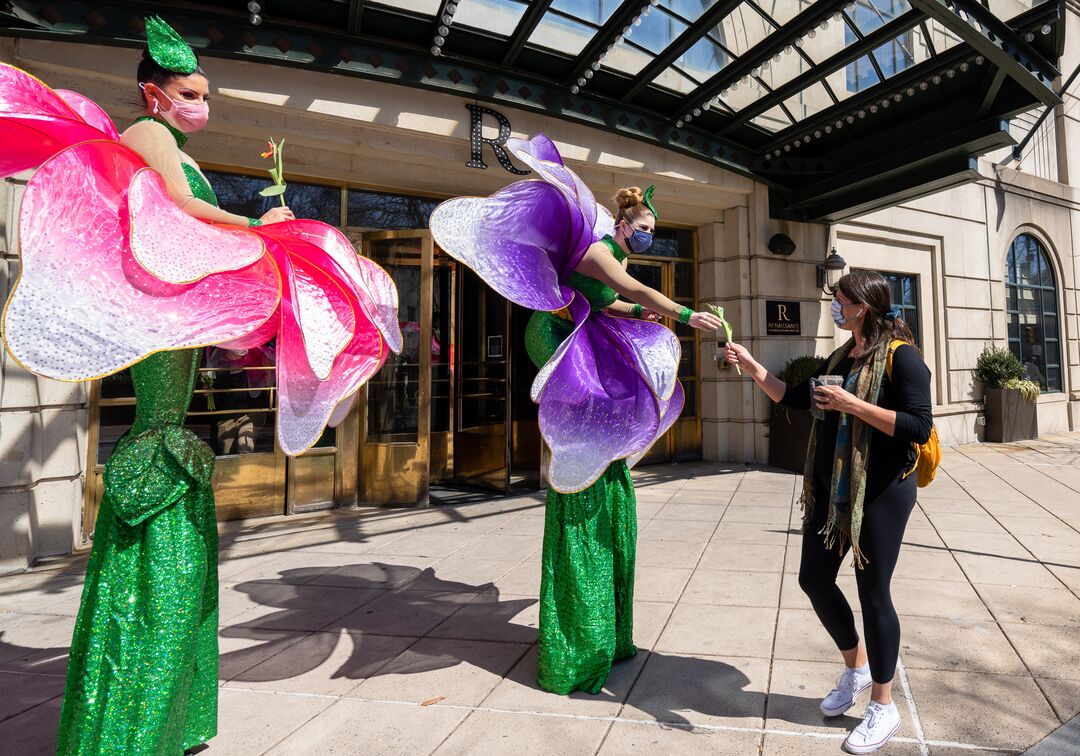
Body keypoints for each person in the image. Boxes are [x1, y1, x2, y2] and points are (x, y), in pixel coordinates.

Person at [0, 17, 400, 754]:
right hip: (161, 357)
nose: (200, 104)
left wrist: (261, 234)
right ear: (156, 93)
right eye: (191, 93)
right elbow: (179, 215)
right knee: (165, 560)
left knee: (177, 558)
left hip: (175, 351)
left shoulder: (174, 145)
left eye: (204, 93)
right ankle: (137, 723)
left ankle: (163, 714)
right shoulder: (151, 136)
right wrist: (262, 225)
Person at [431, 137, 722, 695]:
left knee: (605, 448)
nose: (650, 233)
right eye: (644, 224)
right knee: (587, 440)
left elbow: (615, 299)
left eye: (653, 227)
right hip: (560, 339)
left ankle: (594, 465)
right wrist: (685, 313)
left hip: (579, 328)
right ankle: (579, 640)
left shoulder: (606, 254)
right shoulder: (598, 246)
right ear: (624, 218)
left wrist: (643, 315)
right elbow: (628, 285)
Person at [725, 270, 932, 754]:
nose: (835, 307)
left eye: (839, 300)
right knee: (814, 579)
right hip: (830, 492)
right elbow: (796, 398)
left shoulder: (903, 359)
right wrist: (754, 366)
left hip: (879, 491)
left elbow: (918, 426)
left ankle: (883, 704)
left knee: (873, 593)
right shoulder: (842, 355)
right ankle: (856, 666)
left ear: (863, 305)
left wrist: (851, 404)